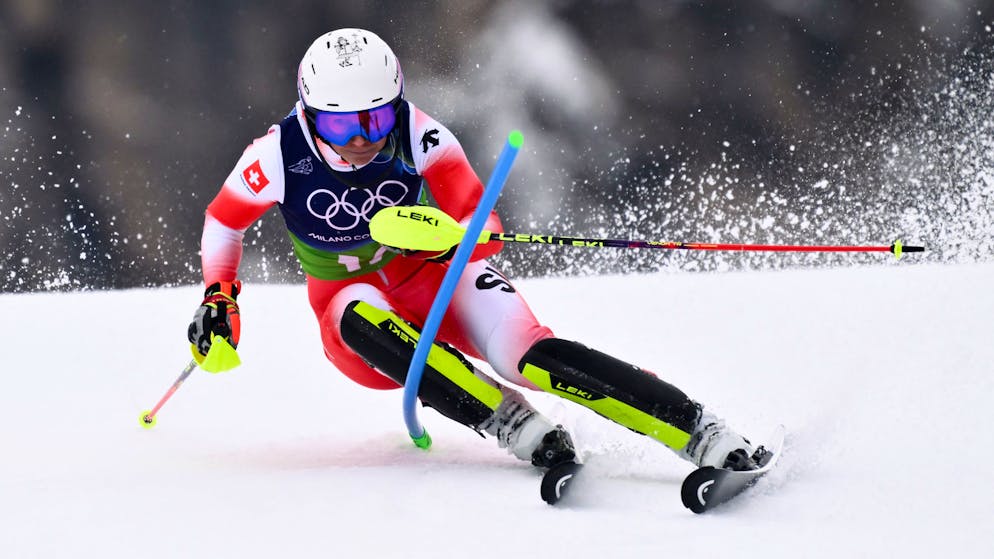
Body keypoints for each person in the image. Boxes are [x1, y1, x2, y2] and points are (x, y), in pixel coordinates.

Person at [188, 28, 763, 475]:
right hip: (356, 319)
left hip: (438, 276)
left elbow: (478, 212)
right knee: (358, 312)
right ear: (311, 117)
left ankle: (702, 432)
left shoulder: (420, 133)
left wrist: (463, 236)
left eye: (376, 118)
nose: (362, 139)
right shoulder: (276, 157)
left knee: (530, 356)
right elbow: (223, 222)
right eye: (341, 128)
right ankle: (510, 422)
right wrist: (220, 297)